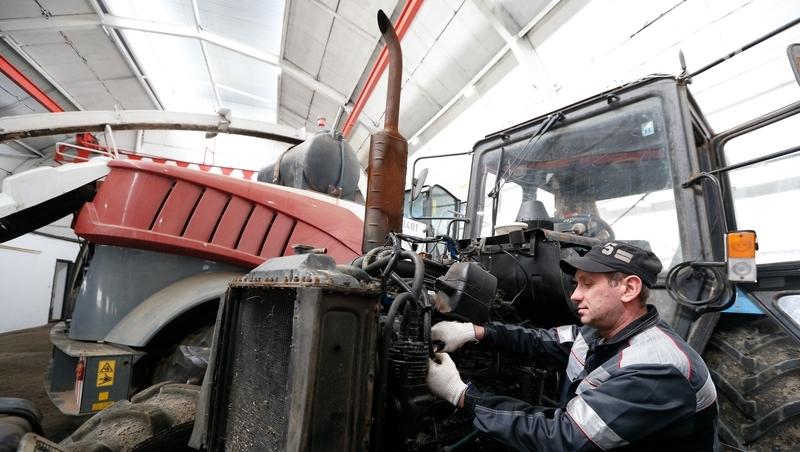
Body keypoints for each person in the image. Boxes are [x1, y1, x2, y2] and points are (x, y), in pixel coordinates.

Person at [426, 241, 719, 451]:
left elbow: (563, 437)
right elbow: (542, 341)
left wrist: (460, 394)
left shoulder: (657, 367)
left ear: (629, 289)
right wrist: (474, 331)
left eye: (587, 284)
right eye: (576, 284)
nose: (576, 296)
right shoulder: (597, 332)